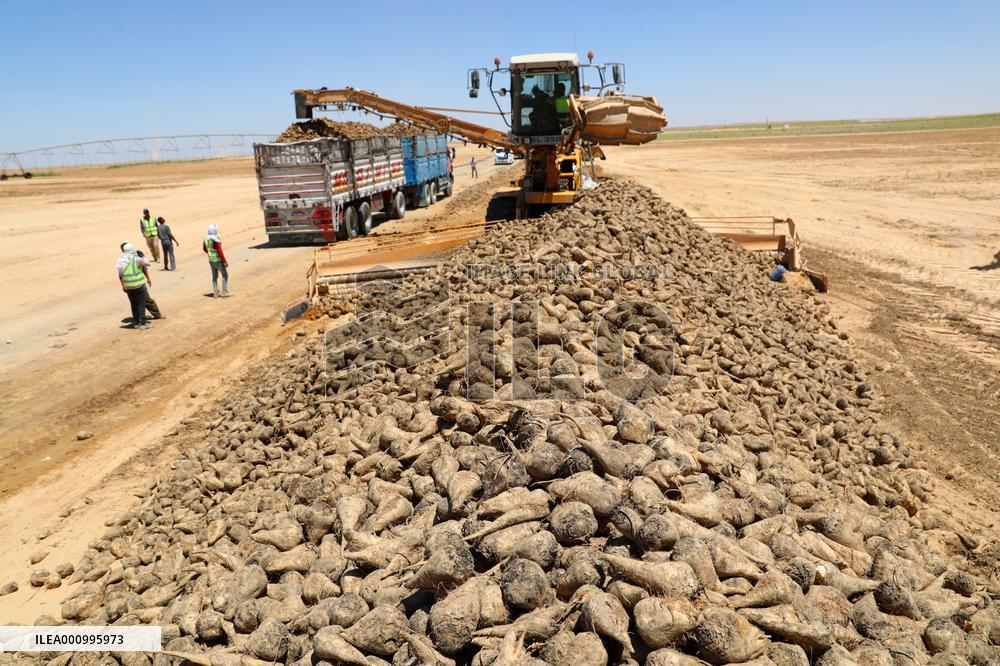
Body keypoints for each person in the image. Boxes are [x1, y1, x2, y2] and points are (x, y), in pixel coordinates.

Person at [117, 243, 152, 329]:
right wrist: (142, 256)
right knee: (141, 303)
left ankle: (136, 322)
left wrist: (123, 286)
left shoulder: (121, 261)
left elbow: (120, 276)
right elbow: (147, 263)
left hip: (128, 286)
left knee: (133, 304)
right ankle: (143, 323)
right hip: (138, 285)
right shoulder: (136, 259)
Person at [202, 224, 229, 297]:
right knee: (225, 275)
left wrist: (210, 253)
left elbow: (204, 249)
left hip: (211, 260)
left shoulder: (205, 238)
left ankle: (216, 292)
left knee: (214, 277)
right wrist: (225, 261)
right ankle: (225, 292)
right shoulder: (216, 240)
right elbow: (220, 251)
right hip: (218, 260)